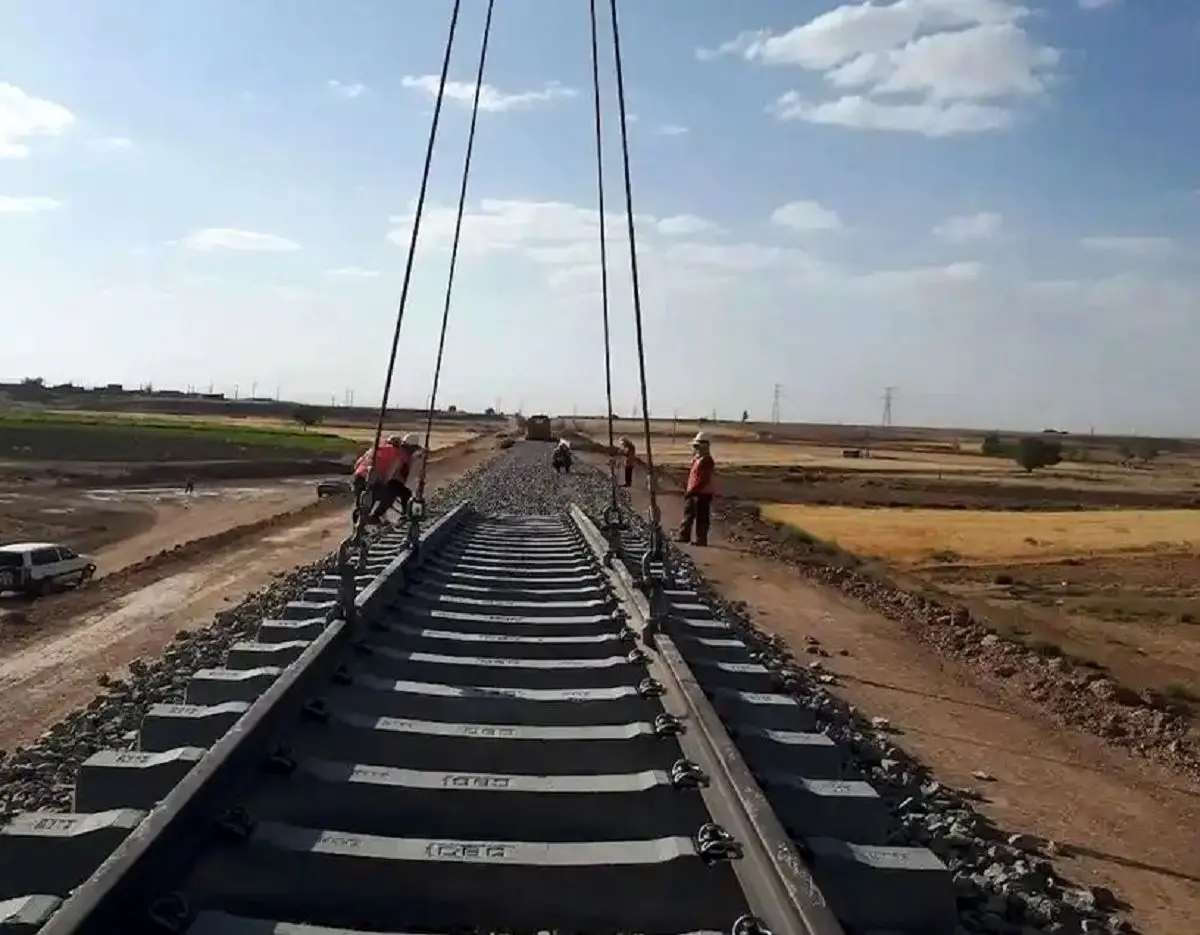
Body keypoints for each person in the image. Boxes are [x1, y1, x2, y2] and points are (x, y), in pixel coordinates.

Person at [352, 433, 422, 524]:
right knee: (389, 495)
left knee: (363, 503)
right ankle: (376, 516)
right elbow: (390, 472)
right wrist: (384, 483)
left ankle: (361, 524)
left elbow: (357, 464)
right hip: (372, 478)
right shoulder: (398, 453)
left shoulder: (377, 448)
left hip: (358, 477)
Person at [677, 431, 715, 546]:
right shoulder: (698, 459)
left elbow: (703, 479)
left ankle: (701, 539)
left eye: (697, 446)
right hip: (694, 491)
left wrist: (692, 490)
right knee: (688, 514)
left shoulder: (707, 460)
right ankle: (684, 536)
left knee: (701, 517)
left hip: (702, 493)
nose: (695, 448)